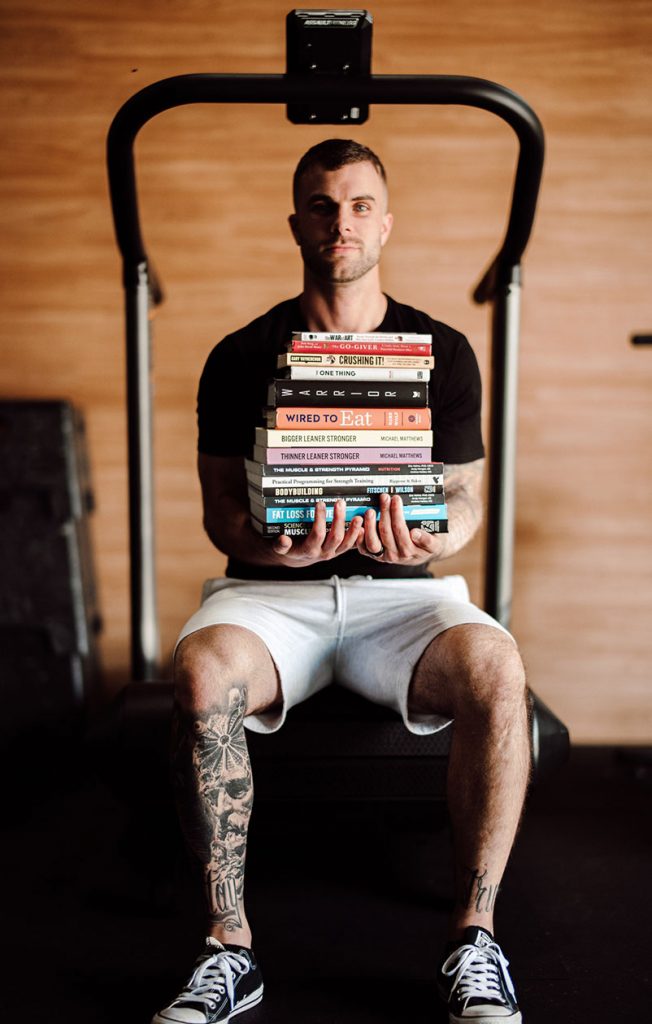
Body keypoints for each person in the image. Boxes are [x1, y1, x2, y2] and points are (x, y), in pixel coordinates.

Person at [152, 139, 530, 1024]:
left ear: (385, 223)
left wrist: (430, 533)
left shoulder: (442, 349)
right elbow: (217, 511)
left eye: (360, 205)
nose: (341, 221)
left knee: (498, 669)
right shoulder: (240, 355)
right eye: (322, 205)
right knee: (204, 673)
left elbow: (467, 497)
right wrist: (267, 544)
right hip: (268, 595)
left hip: (405, 597)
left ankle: (475, 937)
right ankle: (227, 947)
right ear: (297, 223)